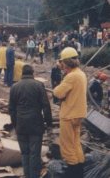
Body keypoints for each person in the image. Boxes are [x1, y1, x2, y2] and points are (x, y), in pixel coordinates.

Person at [9, 64, 52, 178]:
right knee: (34, 154)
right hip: (36, 124)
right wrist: (49, 123)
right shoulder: (39, 85)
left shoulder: (14, 87)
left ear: (22, 73)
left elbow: (11, 109)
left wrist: (15, 124)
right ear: (32, 73)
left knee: (24, 153)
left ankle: (27, 176)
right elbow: (46, 106)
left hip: (21, 125)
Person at [53, 47, 87, 178]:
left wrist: (62, 77)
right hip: (79, 114)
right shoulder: (81, 73)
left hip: (69, 115)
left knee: (67, 146)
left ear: (65, 62)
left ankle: (73, 172)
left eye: (62, 62)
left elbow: (58, 92)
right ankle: (79, 170)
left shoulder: (71, 76)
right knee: (75, 143)